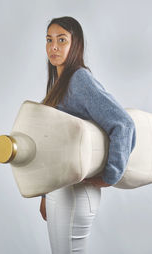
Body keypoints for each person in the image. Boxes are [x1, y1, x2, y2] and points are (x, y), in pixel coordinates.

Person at [39, 16, 136, 253]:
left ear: (76, 44)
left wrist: (110, 175)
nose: (54, 46)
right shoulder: (59, 84)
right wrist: (44, 193)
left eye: (62, 40)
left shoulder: (78, 80)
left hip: (74, 192)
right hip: (61, 190)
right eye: (49, 40)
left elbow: (123, 124)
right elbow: (53, 144)